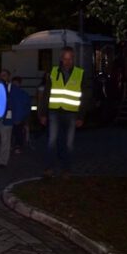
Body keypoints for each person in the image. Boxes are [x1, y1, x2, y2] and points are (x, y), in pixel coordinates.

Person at [39, 46, 85, 178]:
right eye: (65, 58)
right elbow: (46, 93)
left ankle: (67, 169)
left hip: (71, 113)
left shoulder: (79, 73)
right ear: (61, 58)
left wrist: (81, 116)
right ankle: (49, 168)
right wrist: (42, 113)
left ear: (73, 59)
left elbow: (84, 96)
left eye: (70, 58)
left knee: (69, 143)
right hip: (54, 112)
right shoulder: (53, 72)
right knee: (52, 141)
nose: (67, 61)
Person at [11, 77, 32, 153]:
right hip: (17, 117)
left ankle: (17, 145)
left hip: (17, 117)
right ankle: (17, 145)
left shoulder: (21, 94)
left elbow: (25, 106)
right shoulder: (23, 93)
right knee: (17, 131)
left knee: (17, 131)